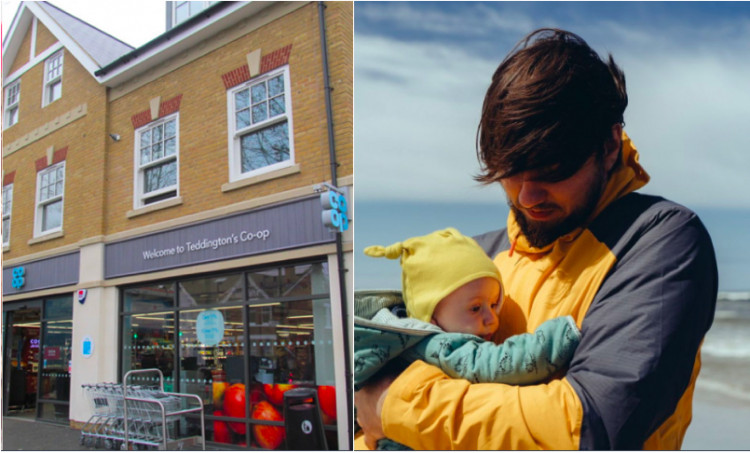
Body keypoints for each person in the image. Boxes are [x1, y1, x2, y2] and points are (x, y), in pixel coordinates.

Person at [354, 28, 718, 450]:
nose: (526, 197)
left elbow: (591, 425)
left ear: (610, 145)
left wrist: (393, 406)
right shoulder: (480, 258)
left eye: (552, 170)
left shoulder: (660, 240)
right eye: (509, 171)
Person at [355, 227, 580, 450]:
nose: (491, 318)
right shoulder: (440, 345)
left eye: (494, 304)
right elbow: (498, 364)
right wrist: (559, 336)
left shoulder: (406, 341)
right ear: (431, 316)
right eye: (475, 308)